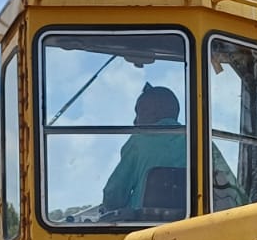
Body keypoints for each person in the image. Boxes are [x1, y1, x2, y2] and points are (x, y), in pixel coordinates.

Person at [101, 84, 248, 213]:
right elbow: (233, 193)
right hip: (197, 230)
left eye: (139, 112)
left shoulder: (138, 141)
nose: (134, 121)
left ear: (154, 112)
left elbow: (113, 196)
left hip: (142, 233)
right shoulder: (202, 142)